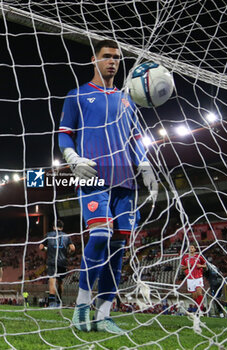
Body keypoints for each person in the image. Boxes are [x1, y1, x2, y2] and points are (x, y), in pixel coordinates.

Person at [58, 39, 158, 334]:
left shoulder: (127, 100)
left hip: (125, 181)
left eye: (116, 57)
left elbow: (137, 138)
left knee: (118, 248)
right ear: (94, 60)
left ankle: (103, 314)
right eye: (107, 56)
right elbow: (64, 134)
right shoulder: (77, 95)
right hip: (93, 178)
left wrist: (146, 164)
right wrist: (72, 157)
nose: (113, 61)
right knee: (100, 235)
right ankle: (80, 307)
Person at [39, 219, 75, 307]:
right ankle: (59, 301)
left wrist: (46, 249)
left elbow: (40, 247)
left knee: (52, 280)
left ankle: (52, 303)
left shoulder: (48, 235)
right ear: (62, 227)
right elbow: (73, 248)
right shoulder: (67, 236)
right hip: (63, 262)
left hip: (52, 261)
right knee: (60, 281)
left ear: (53, 227)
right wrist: (68, 252)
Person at [181, 243, 206, 313]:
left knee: (199, 293)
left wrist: (200, 265)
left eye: (192, 248)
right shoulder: (185, 257)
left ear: (195, 249)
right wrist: (187, 266)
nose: (191, 249)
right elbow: (182, 267)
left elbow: (205, 266)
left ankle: (201, 309)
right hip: (190, 278)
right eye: (190, 248)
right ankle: (200, 308)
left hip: (198, 277)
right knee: (194, 295)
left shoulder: (199, 257)